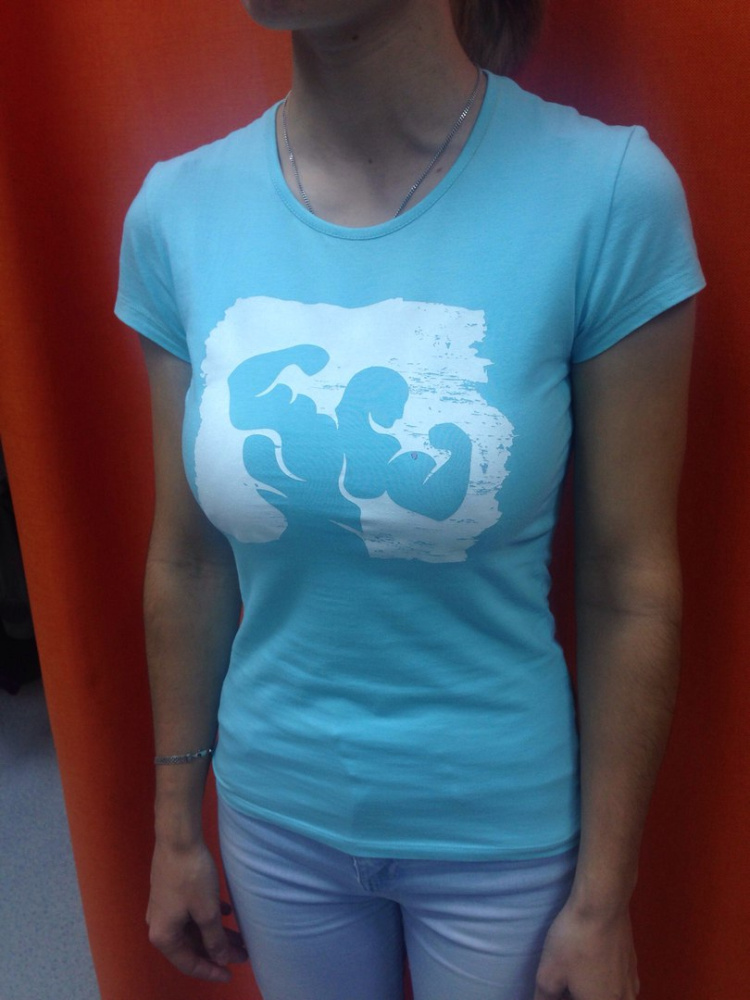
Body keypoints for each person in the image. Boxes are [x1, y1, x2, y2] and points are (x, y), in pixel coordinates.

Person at [115, 1, 705, 997]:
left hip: (500, 835)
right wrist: (177, 826)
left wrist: (604, 898)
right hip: (274, 816)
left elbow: (627, 580)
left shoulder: (606, 194)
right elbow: (188, 558)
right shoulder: (178, 212)